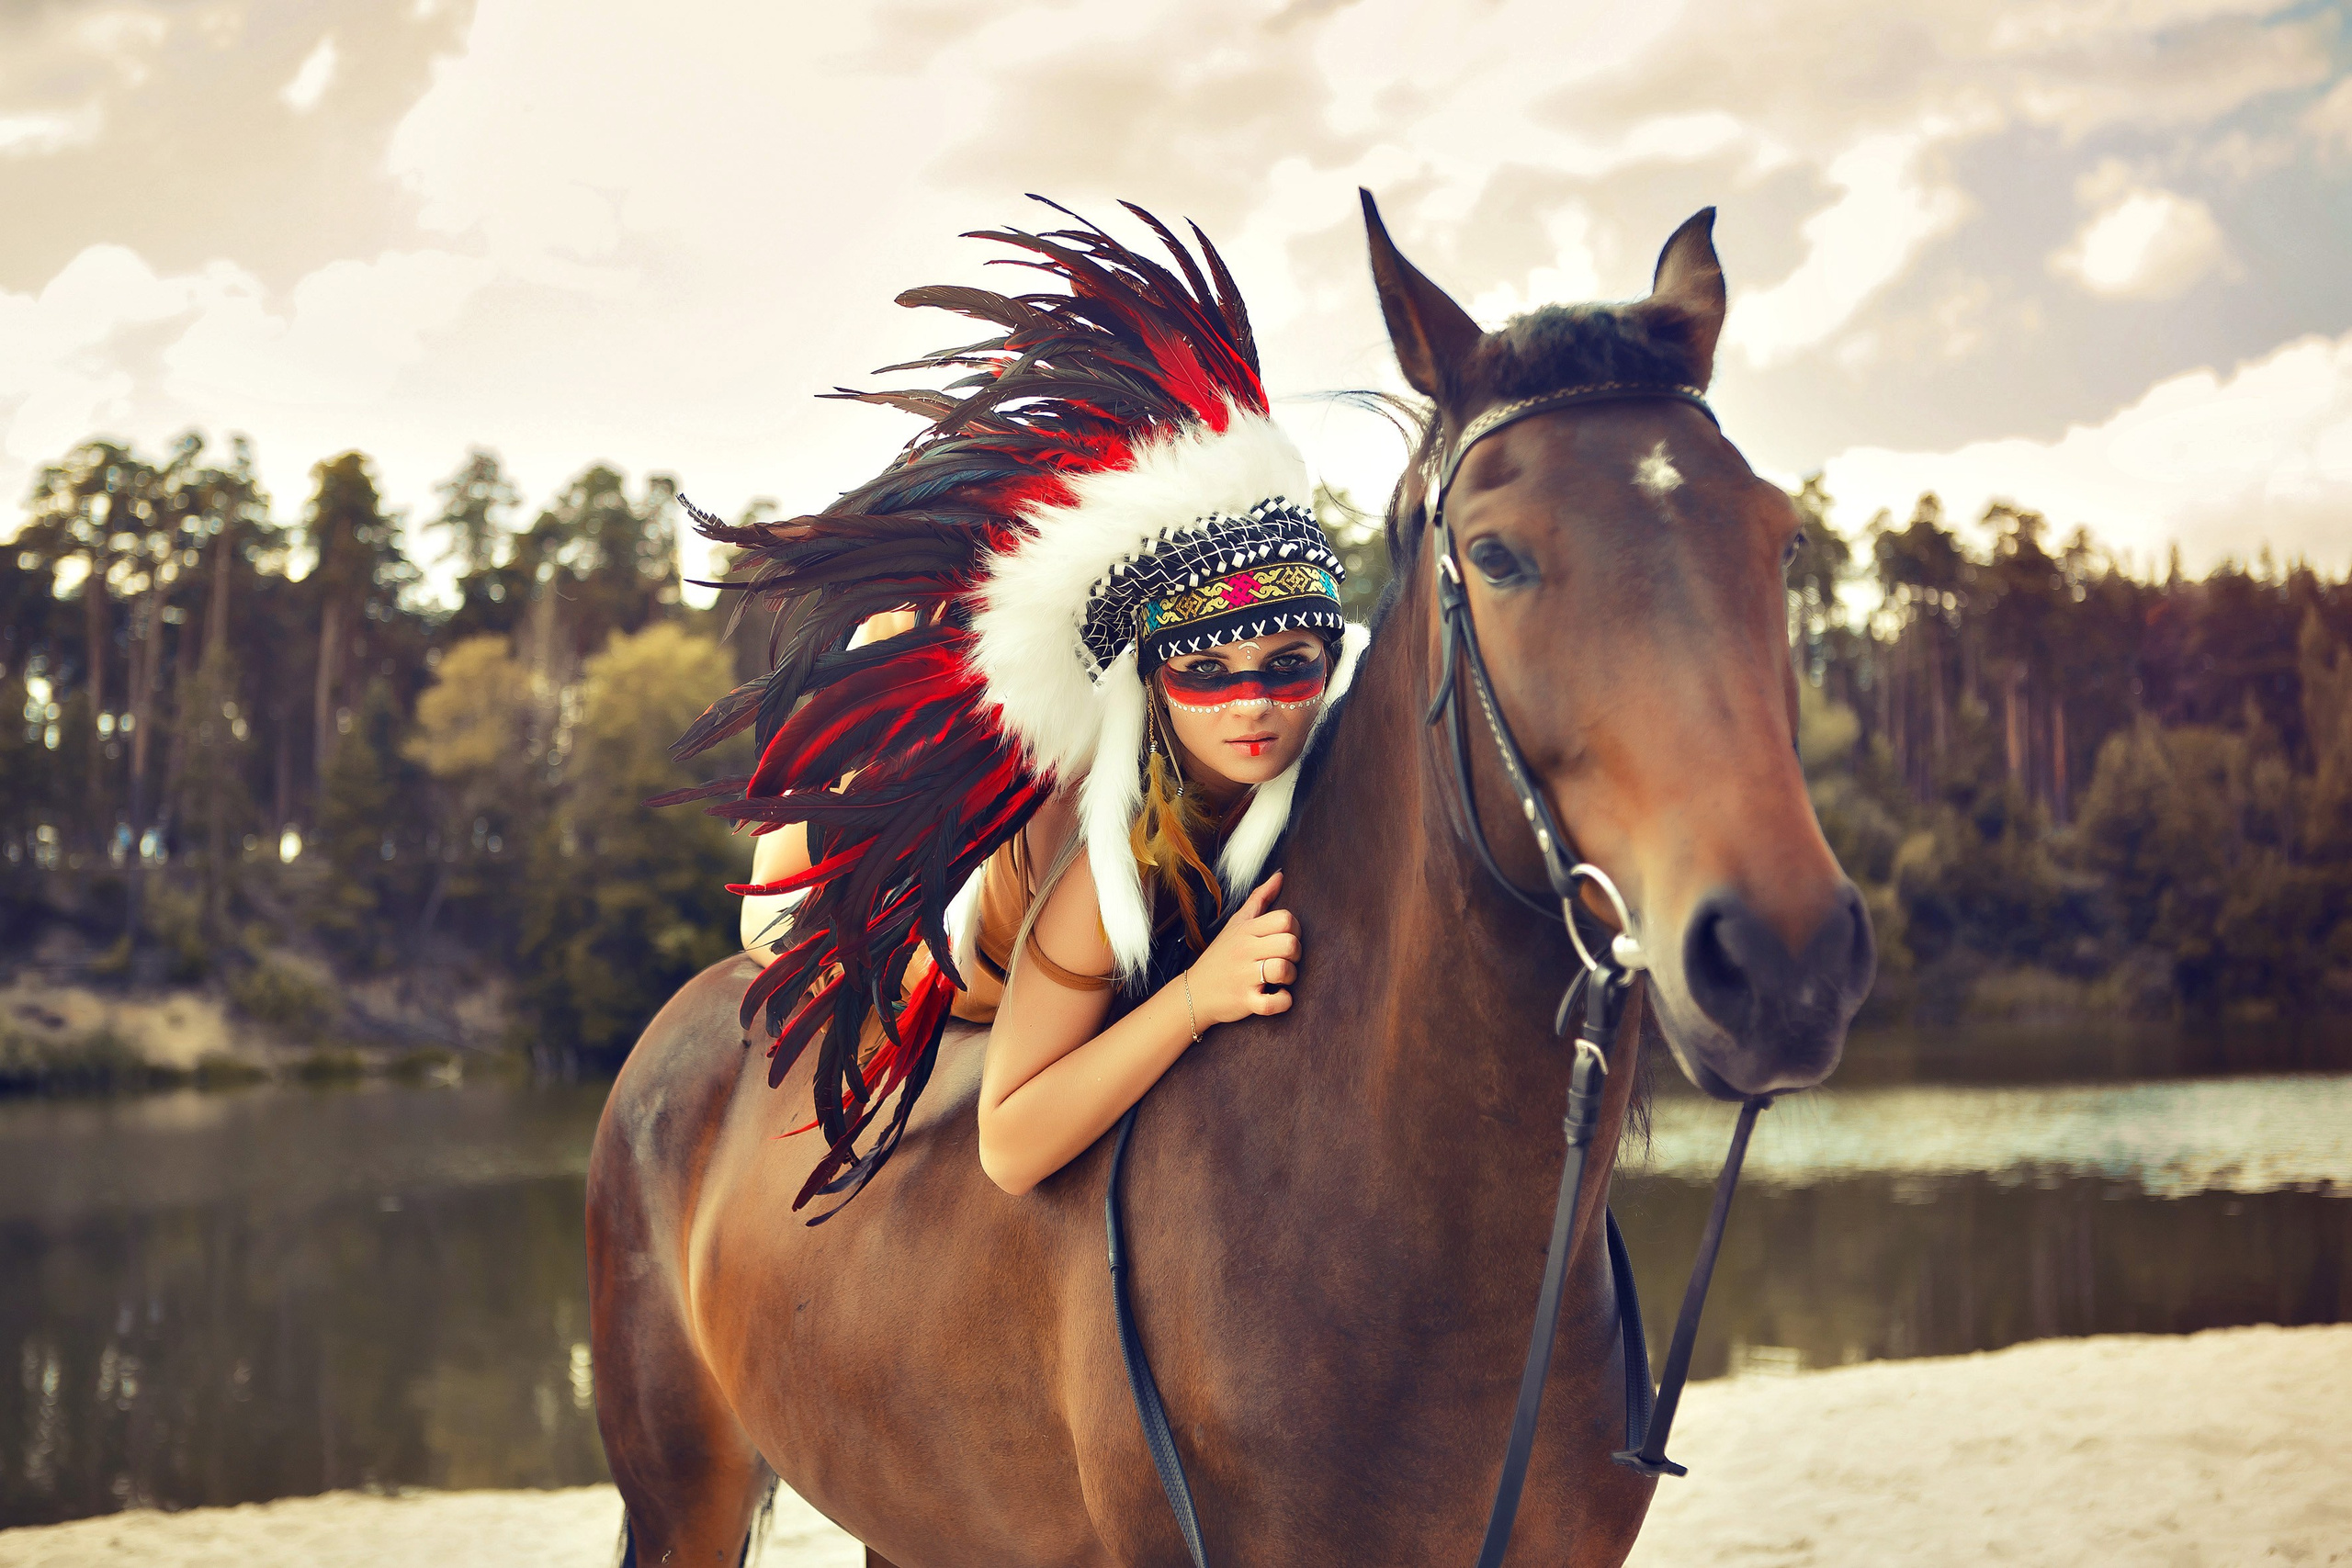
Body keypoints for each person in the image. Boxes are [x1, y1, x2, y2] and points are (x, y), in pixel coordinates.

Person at [688, 204, 1362, 1212]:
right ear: (1153, 684)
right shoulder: (1107, 855)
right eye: (1209, 669)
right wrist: (1197, 997)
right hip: (921, 934)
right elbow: (1008, 1145)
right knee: (801, 886)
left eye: (1289, 661)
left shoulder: (1339, 758)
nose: (1255, 703)